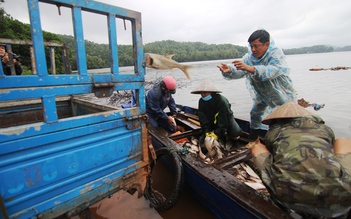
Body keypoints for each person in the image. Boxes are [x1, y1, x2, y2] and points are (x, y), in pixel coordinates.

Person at [249, 101, 351, 218]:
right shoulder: (325, 129)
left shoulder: (274, 131)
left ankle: (281, 203)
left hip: (287, 196)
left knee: (257, 147)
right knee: (343, 140)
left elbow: (274, 152)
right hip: (345, 193)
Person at [217, 29, 296, 139]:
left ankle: (285, 140)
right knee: (255, 115)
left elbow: (274, 70)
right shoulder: (249, 57)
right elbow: (241, 71)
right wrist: (230, 70)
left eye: (256, 46)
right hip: (262, 95)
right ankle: (254, 141)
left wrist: (251, 68)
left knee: (285, 119)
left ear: (266, 44)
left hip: (281, 95)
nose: (253, 49)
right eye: (251, 46)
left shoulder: (275, 54)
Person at [191, 79, 242, 148]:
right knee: (203, 140)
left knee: (235, 132)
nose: (203, 94)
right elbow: (202, 117)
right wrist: (207, 130)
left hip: (226, 118)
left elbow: (223, 119)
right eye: (201, 93)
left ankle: (222, 134)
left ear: (211, 92)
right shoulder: (201, 101)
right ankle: (216, 134)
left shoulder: (222, 101)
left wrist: (216, 133)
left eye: (205, 92)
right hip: (211, 120)